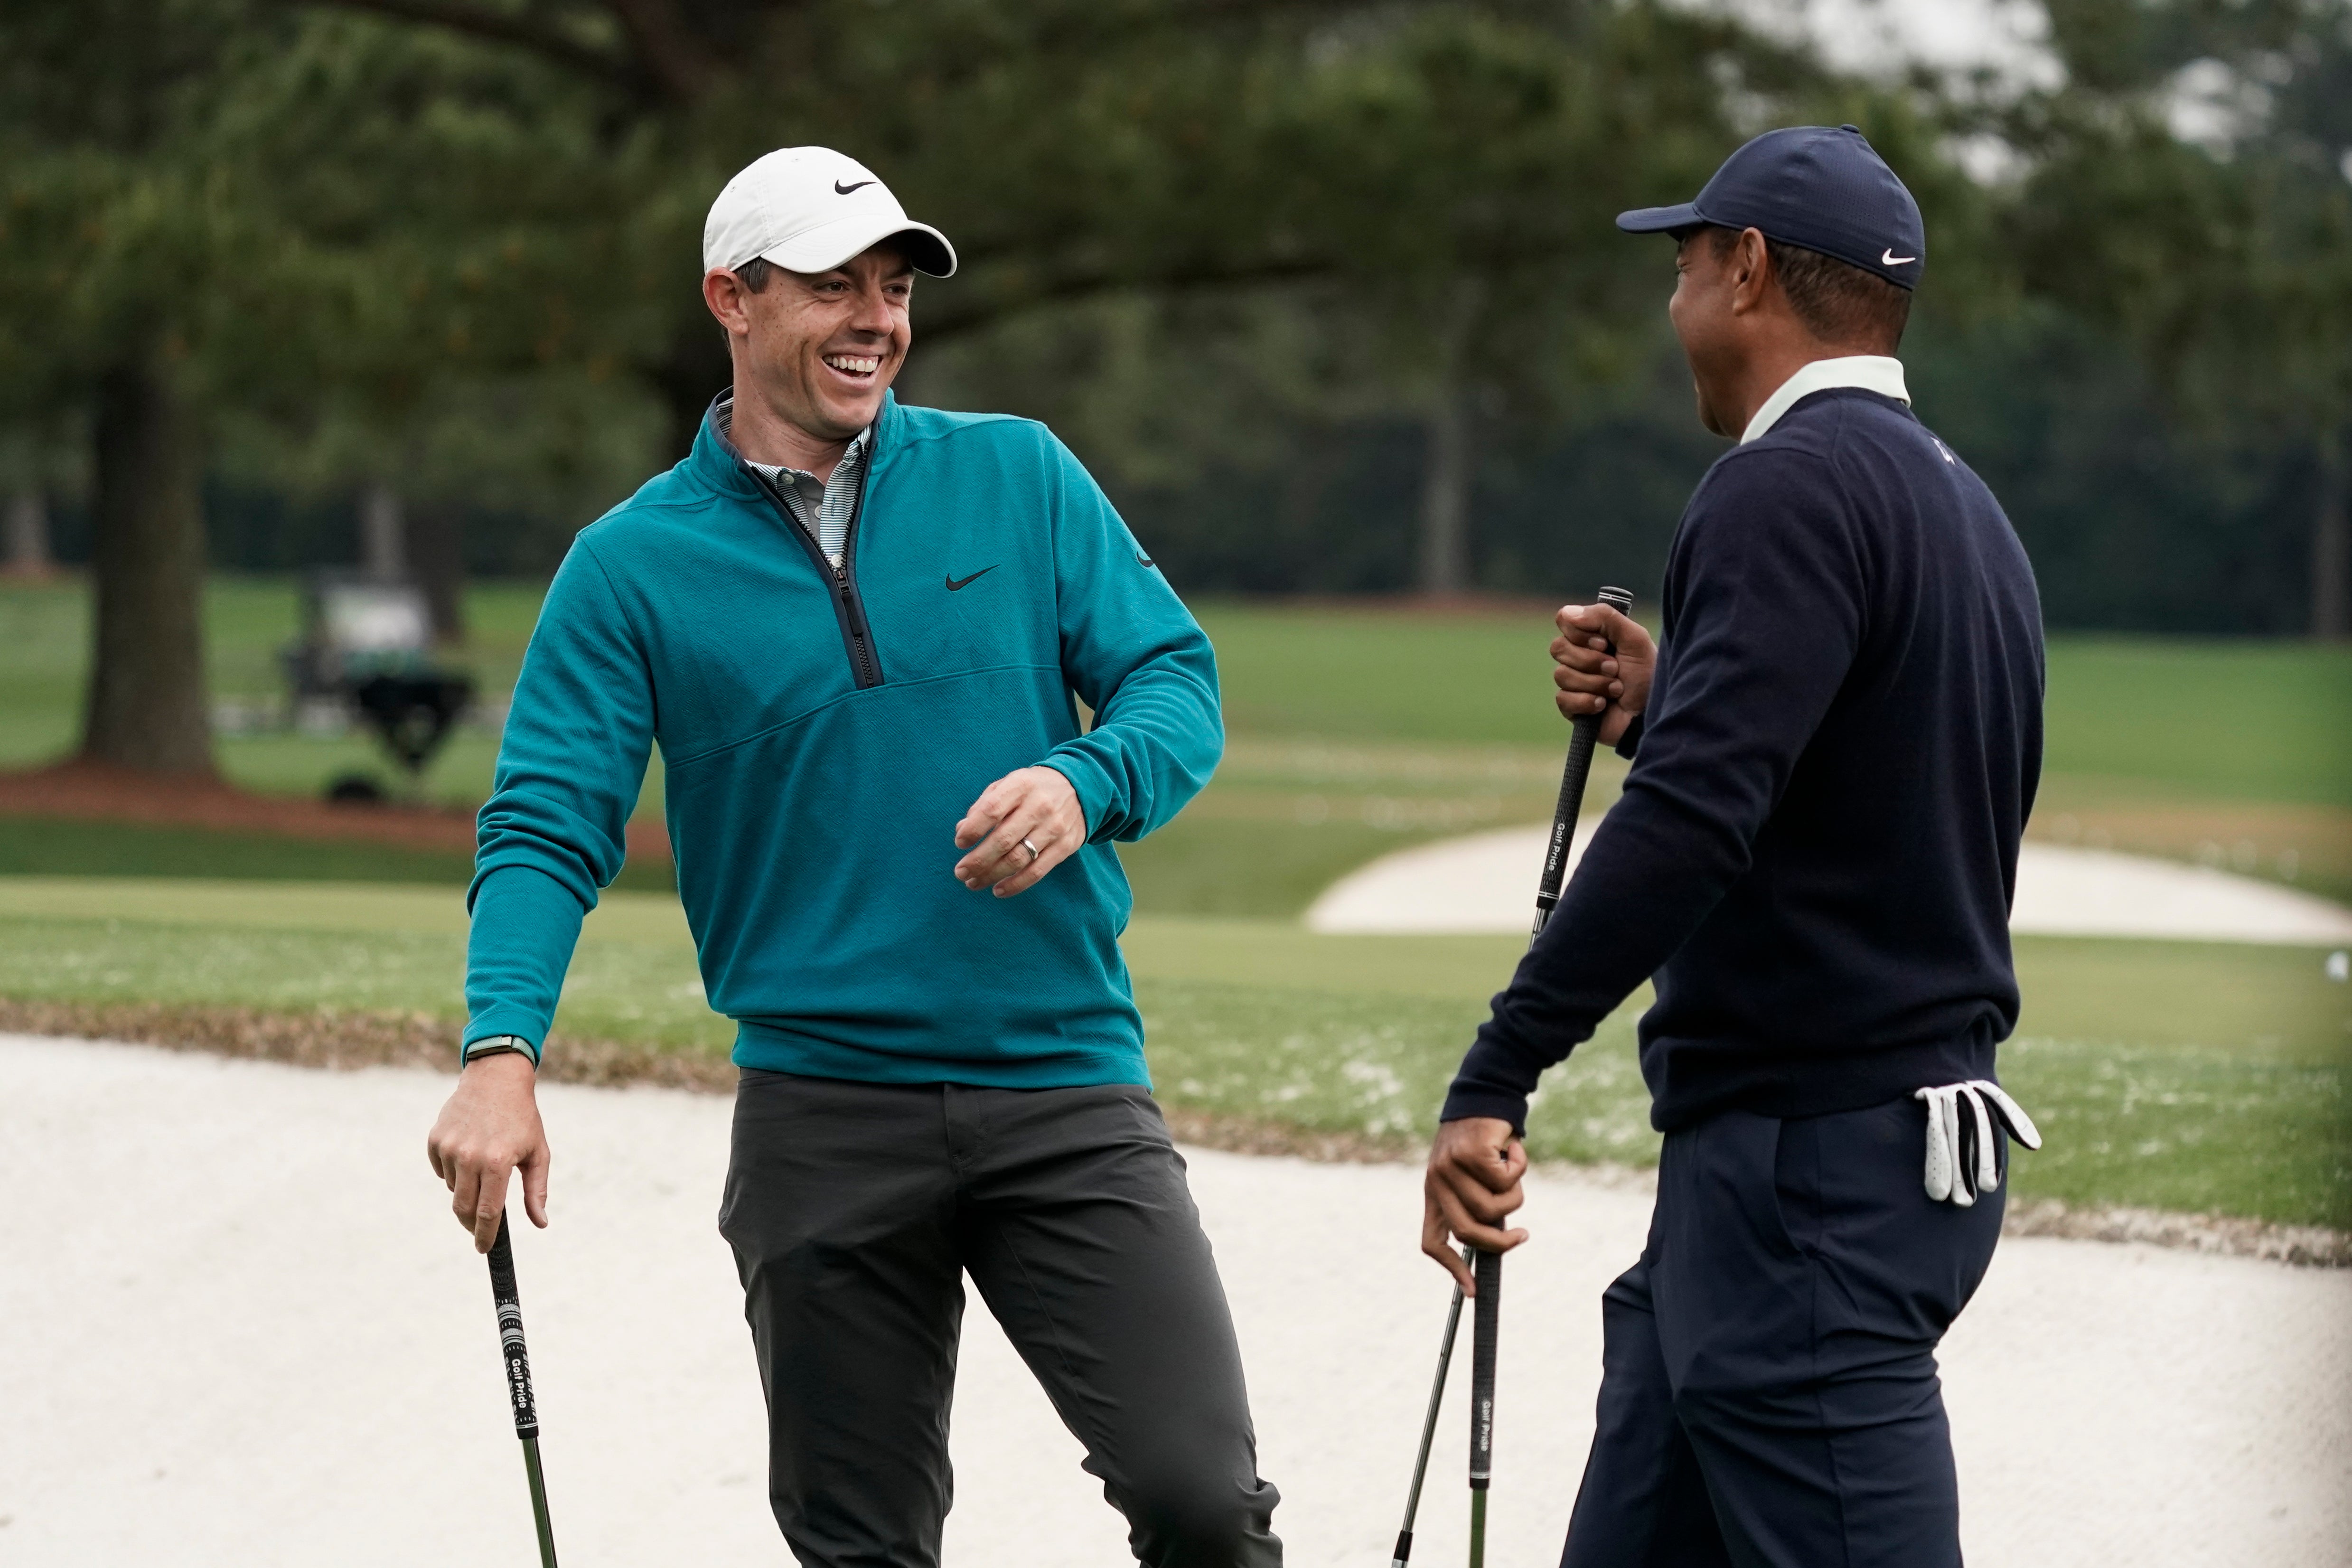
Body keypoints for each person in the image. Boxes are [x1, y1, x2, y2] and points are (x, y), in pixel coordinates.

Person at [425, 146, 1281, 1568]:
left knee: (1202, 1502)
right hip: (824, 1115)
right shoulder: (629, 566)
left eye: (892, 288)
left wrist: (1088, 780)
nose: (876, 318)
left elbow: (1173, 686)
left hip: (1063, 1084)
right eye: (833, 287)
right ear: (733, 299)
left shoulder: (1016, 473)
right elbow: (544, 820)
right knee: (861, 1545)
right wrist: (500, 1048)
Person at [1420, 125, 2045, 1567]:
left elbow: (1694, 827)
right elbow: (1862, 793)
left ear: (1746, 269)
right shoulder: (1962, 506)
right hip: (1839, 1168)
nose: (1673, 302)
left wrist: (1497, 1065)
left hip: (1805, 1188)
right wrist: (1671, 708)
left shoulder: (1779, 486)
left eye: (1684, 265)